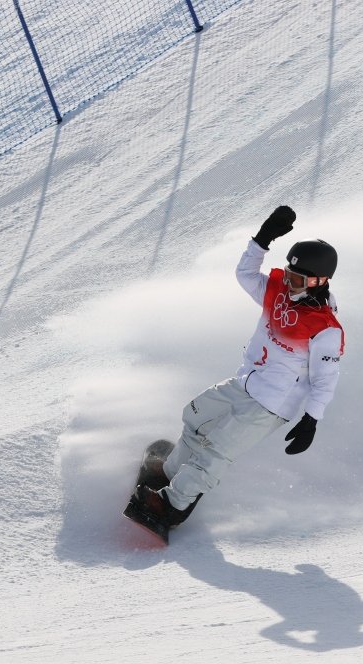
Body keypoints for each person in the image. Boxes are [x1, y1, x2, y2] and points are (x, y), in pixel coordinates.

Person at [130, 205, 344, 531]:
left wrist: (311, 419)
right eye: (288, 273)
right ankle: (172, 471)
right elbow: (245, 275)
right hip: (246, 381)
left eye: (297, 279)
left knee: (216, 450)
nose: (288, 282)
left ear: (319, 280)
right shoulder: (280, 293)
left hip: (271, 403)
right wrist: (262, 239)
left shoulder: (324, 327)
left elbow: (325, 379)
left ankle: (172, 504)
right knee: (195, 418)